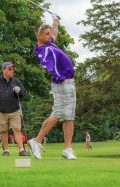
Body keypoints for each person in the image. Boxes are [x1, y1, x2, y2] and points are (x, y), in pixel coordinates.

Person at [27, 14, 77, 160]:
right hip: (61, 84)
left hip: (69, 83)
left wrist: (55, 21)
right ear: (39, 36)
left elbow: (54, 32)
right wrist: (59, 76)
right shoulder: (45, 51)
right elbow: (48, 65)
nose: (50, 36)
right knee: (58, 113)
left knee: (69, 117)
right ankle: (36, 141)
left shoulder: (50, 44)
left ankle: (67, 149)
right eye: (46, 34)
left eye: (50, 33)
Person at [0, 61, 30, 156]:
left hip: (14, 110)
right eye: (10, 69)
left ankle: (21, 150)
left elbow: (23, 94)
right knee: (3, 131)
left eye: (13, 69)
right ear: (3, 70)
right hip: (0, 110)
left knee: (17, 130)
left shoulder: (16, 81)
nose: (12, 71)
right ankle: (6, 150)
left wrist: (18, 91)